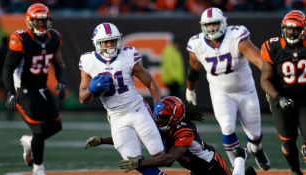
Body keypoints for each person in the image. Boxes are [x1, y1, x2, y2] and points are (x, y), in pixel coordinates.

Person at [185, 7, 270, 170]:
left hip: (246, 90)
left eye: (215, 23)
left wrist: (269, 84)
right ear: (202, 26)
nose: (211, 28)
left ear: (223, 22)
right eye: (208, 25)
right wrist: (190, 89)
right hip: (220, 92)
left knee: (255, 135)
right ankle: (237, 167)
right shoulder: (197, 44)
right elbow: (193, 69)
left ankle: (257, 150)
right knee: (227, 127)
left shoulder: (237, 37)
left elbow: (259, 61)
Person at [85, 96, 257, 175]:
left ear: (175, 117)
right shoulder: (164, 125)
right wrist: (102, 140)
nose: (158, 121)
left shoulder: (185, 131)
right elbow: (133, 136)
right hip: (195, 169)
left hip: (211, 167)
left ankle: (240, 156)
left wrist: (140, 162)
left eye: (164, 117)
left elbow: (169, 159)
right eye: (158, 117)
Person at [78, 22, 166, 175]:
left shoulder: (128, 55)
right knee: (132, 161)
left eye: (113, 40)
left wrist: (157, 103)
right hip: (116, 117)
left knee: (160, 155)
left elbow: (151, 82)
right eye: (106, 41)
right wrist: (91, 89)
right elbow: (82, 98)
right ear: (97, 43)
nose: (110, 44)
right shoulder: (88, 61)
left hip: (137, 109)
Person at [2, 3, 66, 175]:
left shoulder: (54, 37)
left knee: (56, 126)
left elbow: (59, 63)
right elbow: (8, 67)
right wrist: (10, 92)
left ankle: (31, 143)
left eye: (44, 21)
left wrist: (62, 81)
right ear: (29, 22)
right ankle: (38, 168)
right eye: (37, 22)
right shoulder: (21, 39)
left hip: (42, 87)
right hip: (24, 89)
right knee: (39, 129)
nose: (41, 25)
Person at [260, 10, 306, 175]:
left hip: (304, 98)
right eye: (288, 28)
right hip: (281, 98)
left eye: (296, 29)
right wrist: (279, 97)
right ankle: (295, 171)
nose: (291, 32)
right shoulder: (273, 47)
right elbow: (265, 79)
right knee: (288, 141)